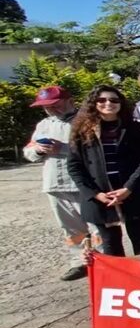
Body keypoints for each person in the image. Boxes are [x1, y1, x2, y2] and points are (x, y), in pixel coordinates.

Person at [66, 85, 140, 257]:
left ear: (121, 103)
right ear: (94, 103)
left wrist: (129, 188)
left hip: (130, 192)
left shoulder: (134, 128)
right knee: (110, 244)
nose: (108, 103)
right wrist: (95, 194)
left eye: (114, 100)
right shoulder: (81, 130)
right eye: (102, 100)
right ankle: (119, 280)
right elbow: (74, 166)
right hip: (101, 196)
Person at [25, 86, 94, 280]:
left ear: (69, 101)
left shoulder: (85, 120)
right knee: (71, 228)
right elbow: (28, 152)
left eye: (55, 105)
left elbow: (94, 150)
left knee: (96, 225)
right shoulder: (44, 125)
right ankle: (78, 263)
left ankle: (102, 260)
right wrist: (38, 150)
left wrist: (62, 148)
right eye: (46, 106)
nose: (51, 109)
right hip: (54, 183)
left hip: (82, 183)